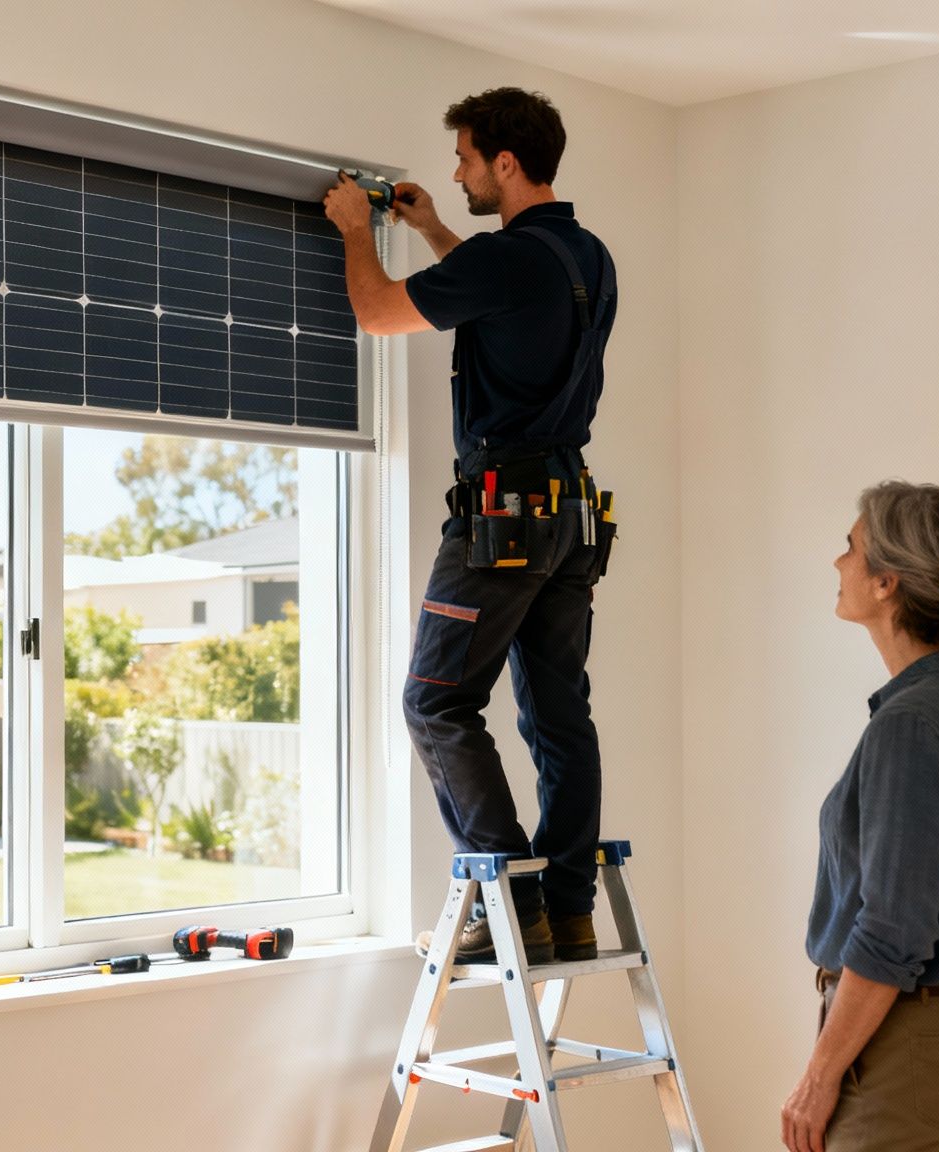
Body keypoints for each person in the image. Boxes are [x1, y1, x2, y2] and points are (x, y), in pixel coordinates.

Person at [322, 87, 617, 964]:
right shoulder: (583, 255)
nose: (455, 172)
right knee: (560, 717)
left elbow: (377, 314)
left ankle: (503, 898)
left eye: (464, 158)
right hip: (569, 513)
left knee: (436, 701)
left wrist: (352, 229)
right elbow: (504, 302)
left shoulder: (509, 259)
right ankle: (566, 910)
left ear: (506, 163)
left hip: (504, 514)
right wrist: (435, 232)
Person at [781, 481, 939, 1152]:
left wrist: (821, 1074)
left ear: (888, 582)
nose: (838, 564)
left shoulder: (913, 725)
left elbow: (893, 931)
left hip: (912, 1048)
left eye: (850, 548)